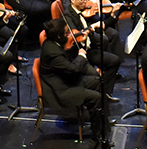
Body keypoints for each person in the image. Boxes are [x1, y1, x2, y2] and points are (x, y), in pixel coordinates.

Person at [40, 18, 109, 147]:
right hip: (60, 91)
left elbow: (67, 61)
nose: (70, 35)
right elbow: (73, 69)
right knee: (96, 97)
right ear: (59, 36)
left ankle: (103, 125)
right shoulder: (52, 52)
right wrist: (82, 55)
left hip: (66, 81)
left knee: (99, 82)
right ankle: (96, 137)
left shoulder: (54, 43)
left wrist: (77, 44)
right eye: (67, 33)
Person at [62, 0, 124, 95]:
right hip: (78, 54)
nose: (85, 2)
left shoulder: (83, 11)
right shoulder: (68, 15)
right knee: (95, 77)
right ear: (72, 0)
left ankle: (105, 93)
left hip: (90, 49)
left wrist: (113, 13)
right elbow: (75, 35)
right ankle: (95, 96)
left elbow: (101, 28)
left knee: (115, 60)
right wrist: (92, 27)